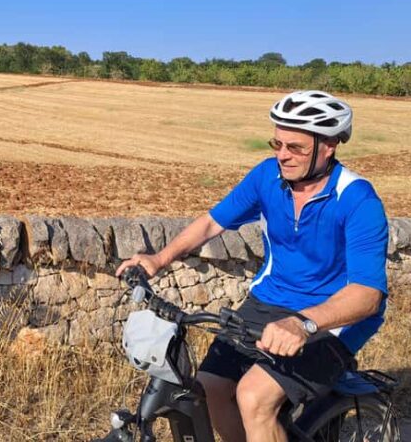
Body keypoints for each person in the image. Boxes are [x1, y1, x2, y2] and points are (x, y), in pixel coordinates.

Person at [116, 90, 389, 442]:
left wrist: (303, 324)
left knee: (254, 397)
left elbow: (367, 296)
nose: (282, 155)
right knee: (209, 387)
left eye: (296, 147)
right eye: (277, 143)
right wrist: (158, 259)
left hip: (331, 316)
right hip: (269, 300)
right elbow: (213, 222)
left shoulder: (358, 201)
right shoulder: (267, 177)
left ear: (330, 146)